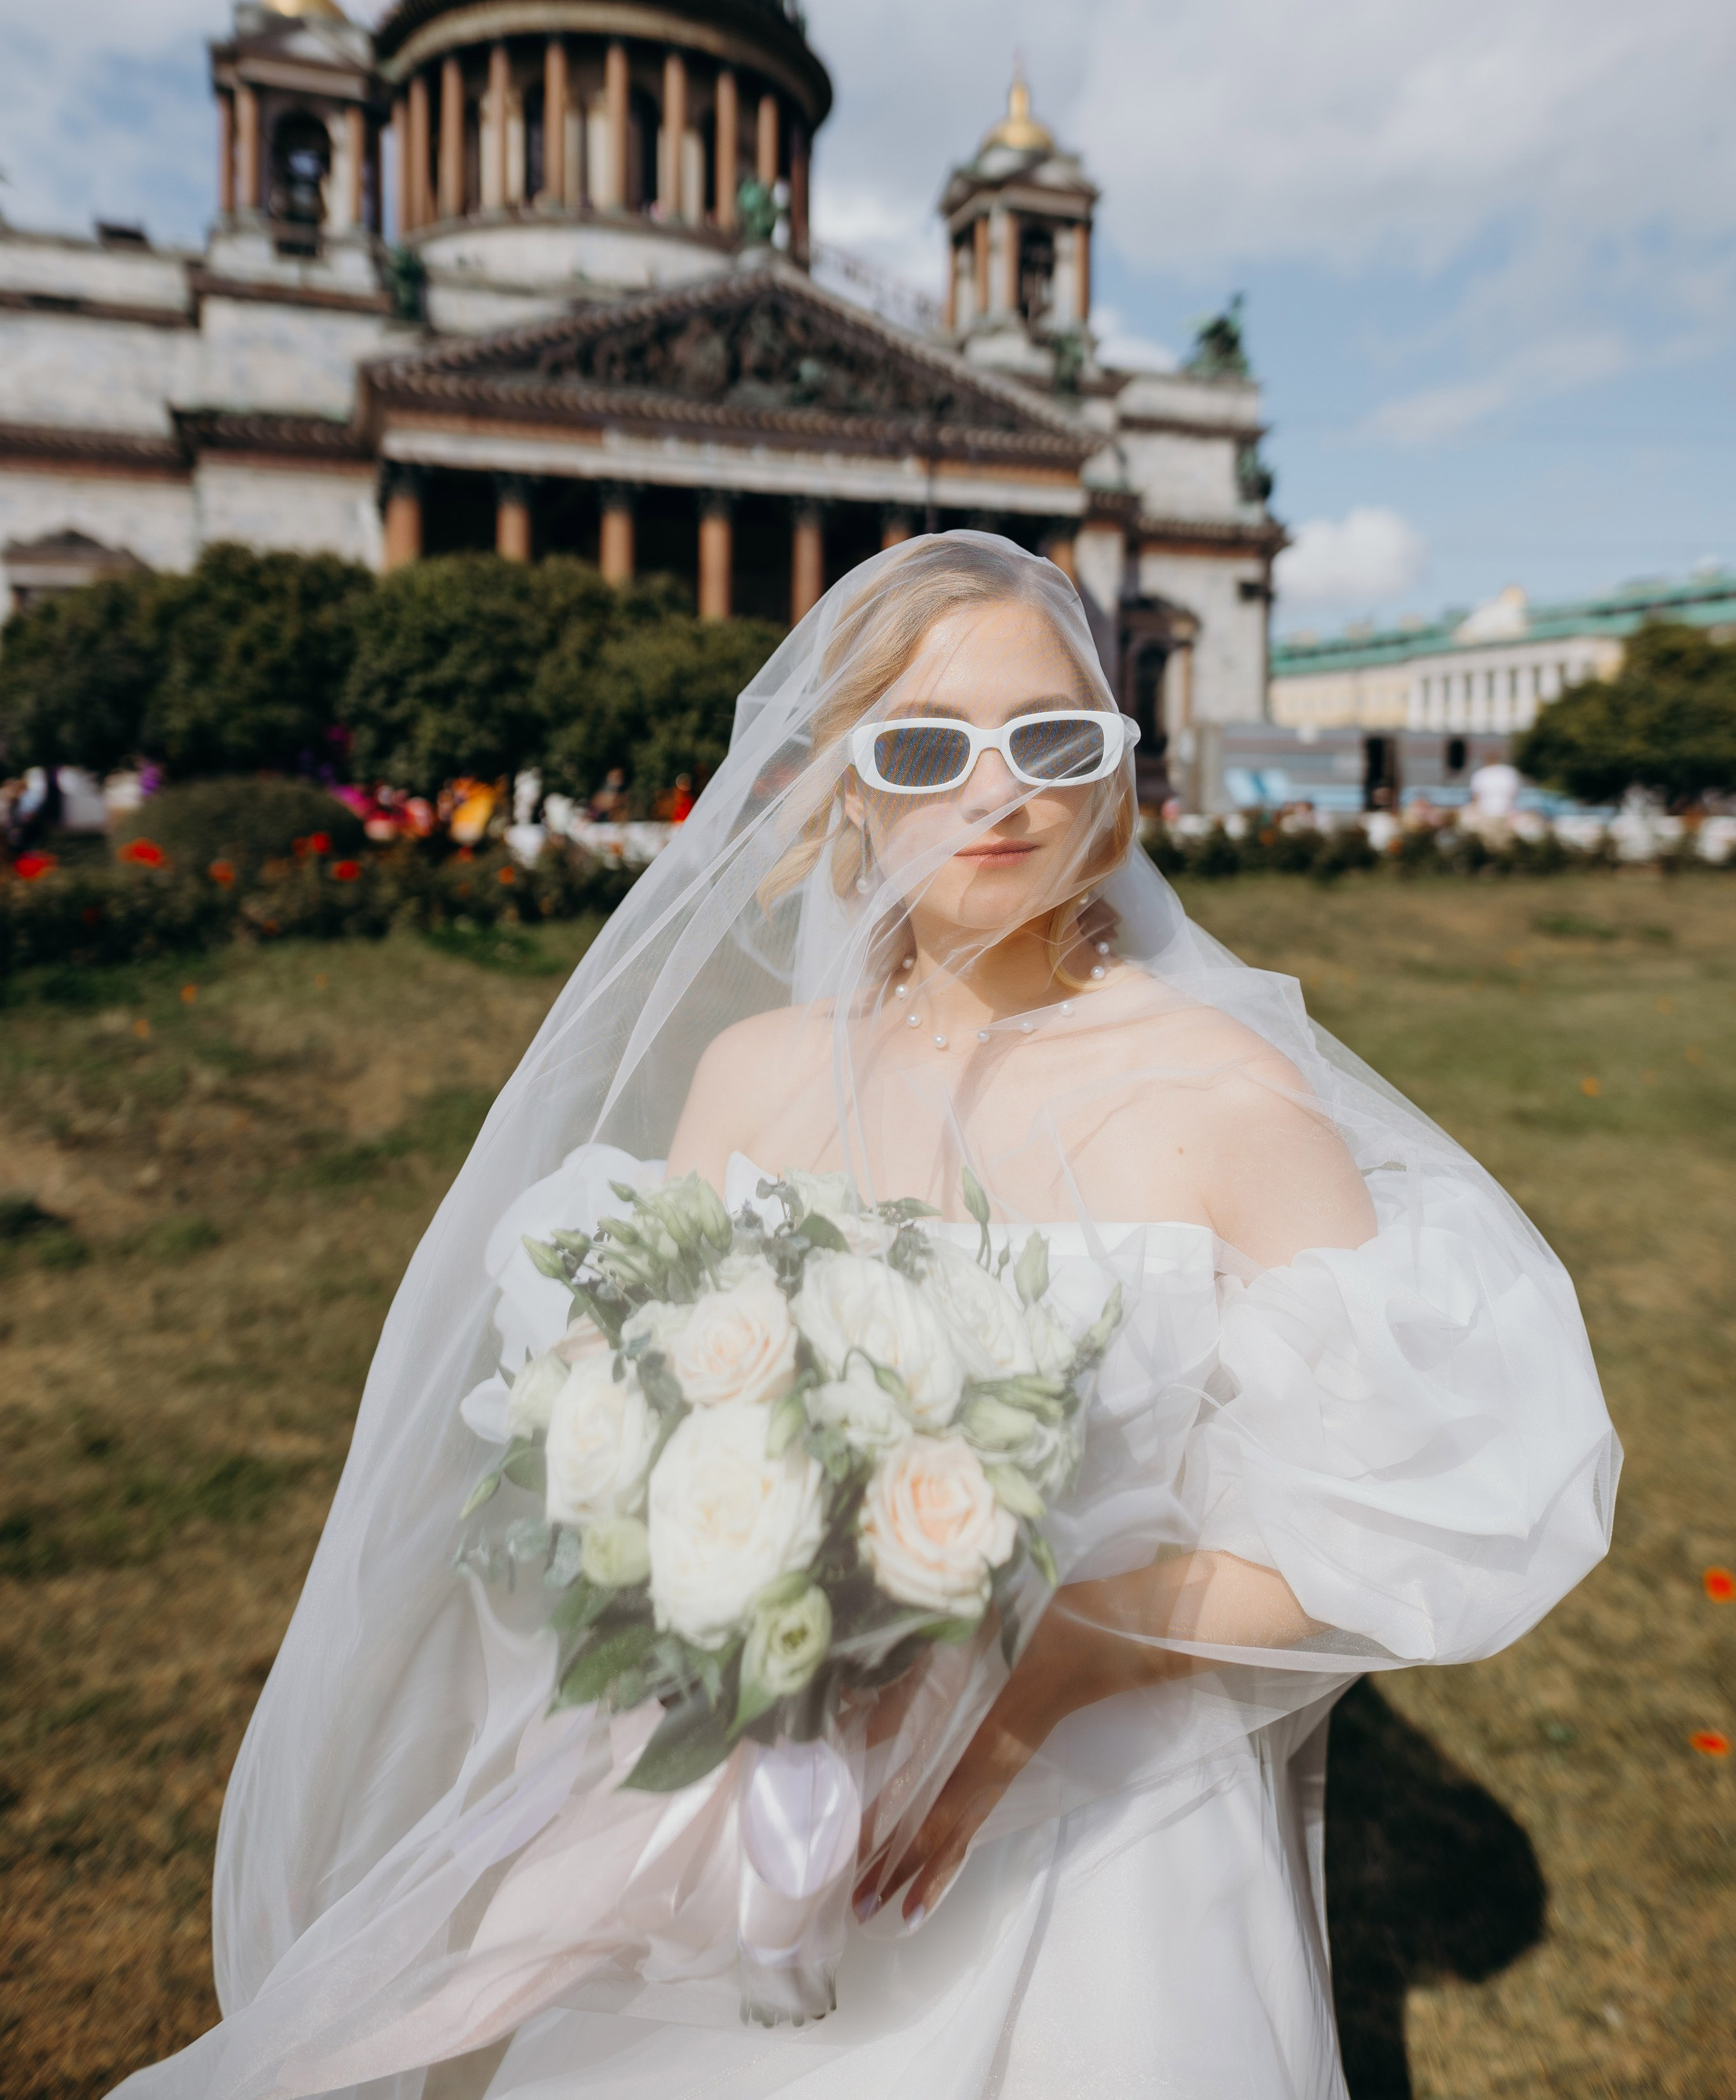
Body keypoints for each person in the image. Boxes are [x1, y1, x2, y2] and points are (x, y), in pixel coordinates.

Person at [113, 535, 1617, 2100]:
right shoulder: (752, 1076)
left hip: (1100, 1857)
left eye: (1049, 738)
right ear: (847, 789)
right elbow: (622, 1434)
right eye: (920, 745)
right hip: (743, 1812)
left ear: (1108, 776)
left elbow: (1417, 1507)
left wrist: (1053, 1670)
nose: (997, 789)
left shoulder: (1224, 1095)